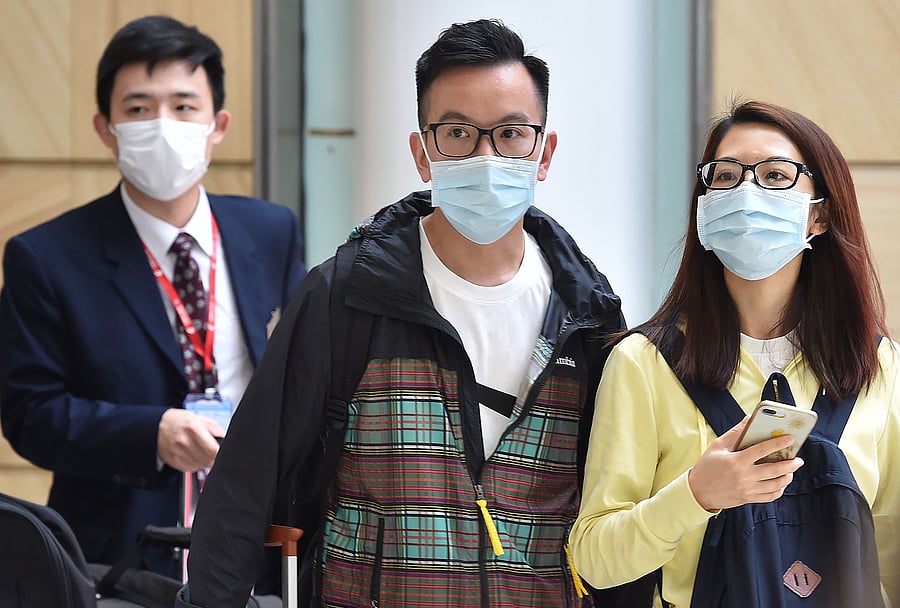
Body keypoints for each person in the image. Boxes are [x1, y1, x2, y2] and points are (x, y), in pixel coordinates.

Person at [181, 18, 625, 608]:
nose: (486, 154)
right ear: (422, 153)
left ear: (543, 152)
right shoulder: (346, 295)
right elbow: (244, 482)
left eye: (512, 133)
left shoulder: (589, 312)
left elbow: (613, 510)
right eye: (458, 133)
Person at [0, 15, 306, 580]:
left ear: (218, 124)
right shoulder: (46, 257)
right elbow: (30, 413)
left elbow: (301, 373)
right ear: (104, 127)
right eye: (138, 109)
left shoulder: (271, 231)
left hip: (260, 544)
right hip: (119, 557)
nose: (163, 125)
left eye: (184, 106)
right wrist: (150, 434)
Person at [569, 100, 899, 606]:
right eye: (724, 176)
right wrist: (695, 495)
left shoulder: (879, 367)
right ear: (704, 206)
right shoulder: (644, 363)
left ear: (820, 215)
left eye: (774, 174)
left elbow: (891, 551)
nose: (746, 192)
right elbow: (593, 557)